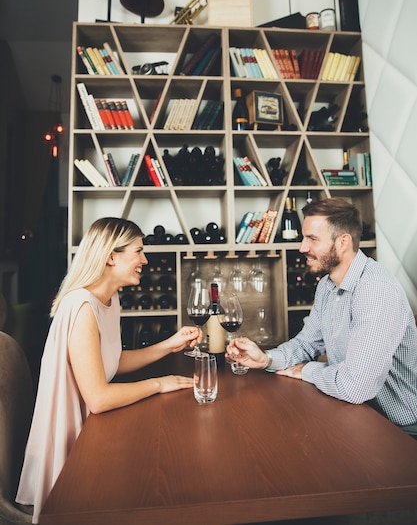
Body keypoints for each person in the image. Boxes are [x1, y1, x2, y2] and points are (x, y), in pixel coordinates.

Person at [16, 217, 202, 523]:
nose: (145, 259)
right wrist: (161, 383)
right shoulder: (82, 307)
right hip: (75, 444)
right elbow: (99, 399)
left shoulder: (108, 300)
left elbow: (113, 360)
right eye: (139, 251)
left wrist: (170, 345)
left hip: (92, 430)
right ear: (111, 256)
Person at [227, 197, 417, 437]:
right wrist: (265, 359)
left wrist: (306, 370)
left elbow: (356, 387)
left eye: (312, 239)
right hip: (357, 413)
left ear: (343, 242)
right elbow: (307, 343)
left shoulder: (375, 290)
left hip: (401, 429)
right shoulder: (327, 286)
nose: (302, 247)